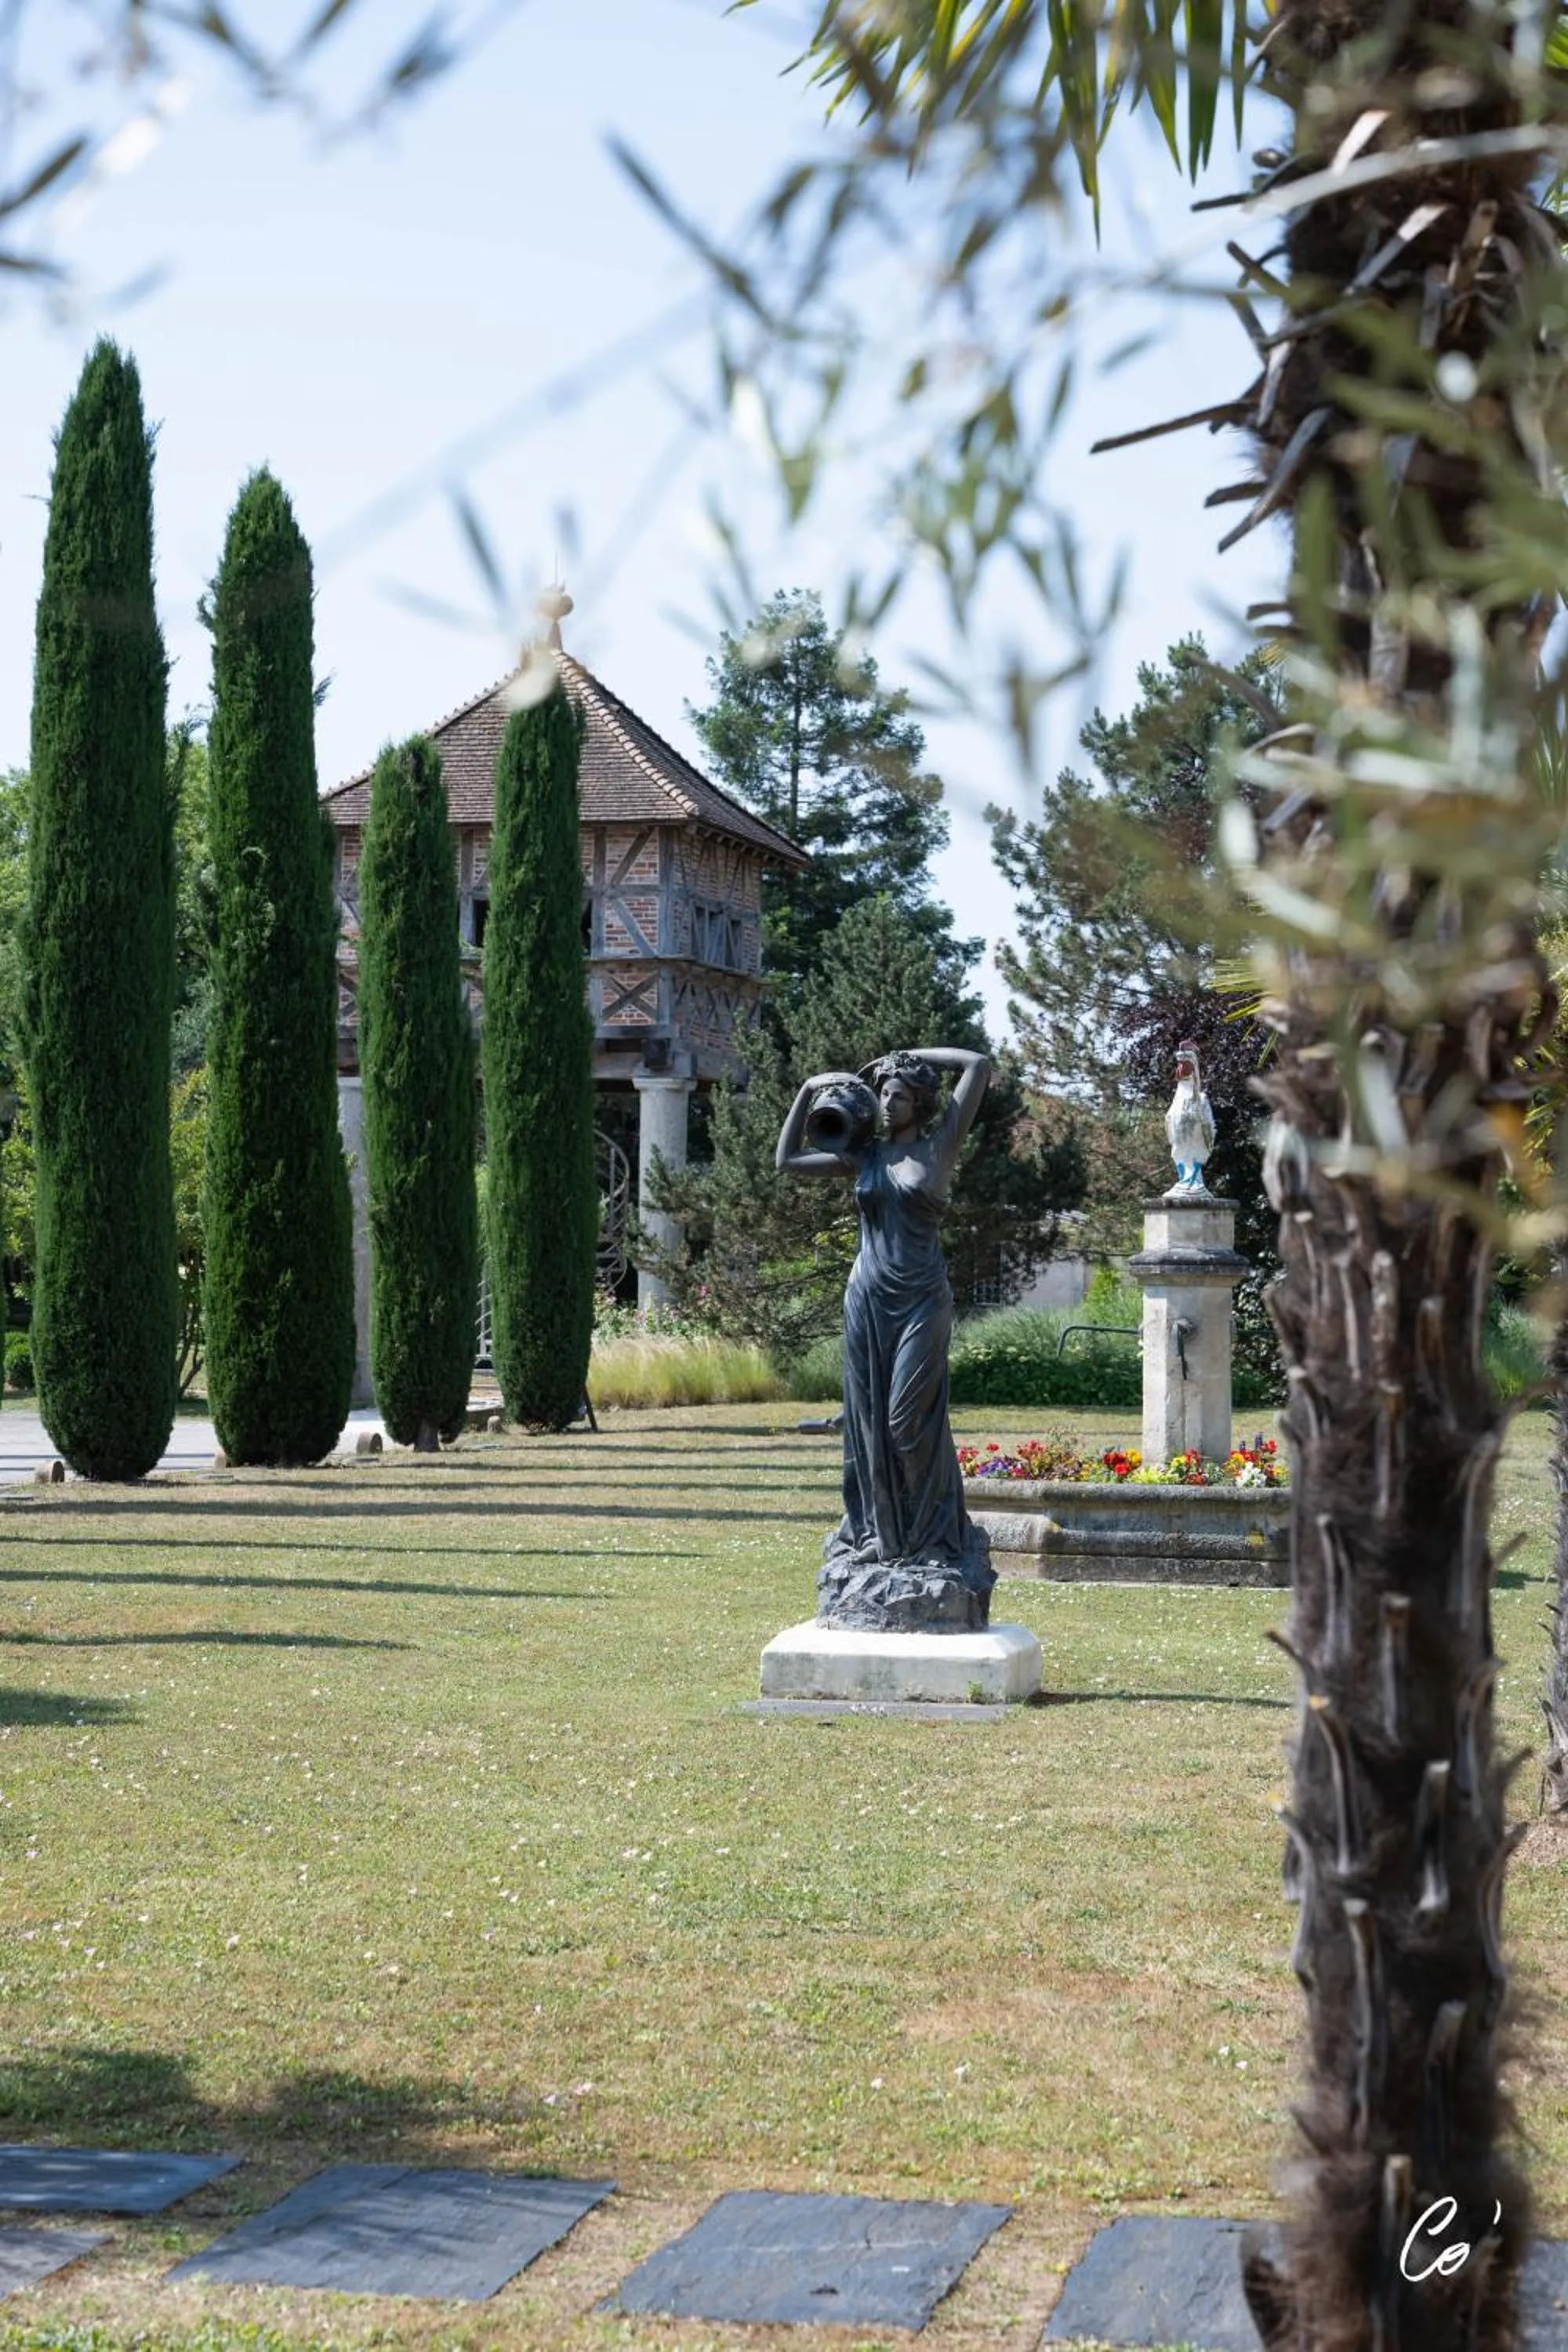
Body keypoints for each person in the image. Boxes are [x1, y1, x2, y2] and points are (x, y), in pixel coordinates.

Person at [775, 1045, 996, 1631]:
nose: (889, 1101)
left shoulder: (939, 1143)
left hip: (923, 1299)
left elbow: (977, 1064)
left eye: (899, 1093)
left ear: (920, 1101)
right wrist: (808, 1090)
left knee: (906, 1419)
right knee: (870, 1424)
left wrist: (902, 1055)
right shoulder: (865, 1154)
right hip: (867, 1299)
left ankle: (935, 1535)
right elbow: (788, 1161)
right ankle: (881, 1536)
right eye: (885, 1092)